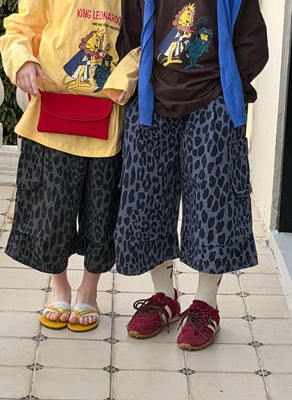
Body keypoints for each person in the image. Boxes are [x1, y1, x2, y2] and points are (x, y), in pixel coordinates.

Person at [105, 0, 269, 349]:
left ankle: (206, 305)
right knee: (145, 199)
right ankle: (164, 297)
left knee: (213, 202)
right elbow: (130, 37)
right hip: (151, 99)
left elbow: (252, 40)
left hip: (213, 100)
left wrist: (229, 90)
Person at [0, 0, 128, 332]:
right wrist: (23, 60)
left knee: (101, 214)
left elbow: (143, 42)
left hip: (105, 123)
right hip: (50, 120)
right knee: (50, 211)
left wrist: (127, 77)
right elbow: (19, 28)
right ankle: (59, 287)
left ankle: (89, 289)